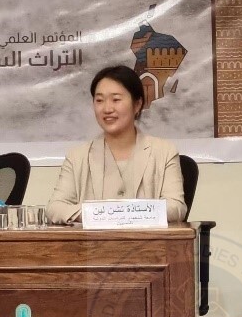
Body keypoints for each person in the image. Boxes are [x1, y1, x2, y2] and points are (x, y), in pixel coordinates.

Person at [46, 65, 187, 224]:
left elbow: (176, 207)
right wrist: (97, 215)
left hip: (147, 240)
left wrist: (125, 214)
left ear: (137, 104)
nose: (107, 108)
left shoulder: (164, 152)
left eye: (116, 100)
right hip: (92, 240)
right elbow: (55, 208)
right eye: (99, 100)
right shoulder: (77, 157)